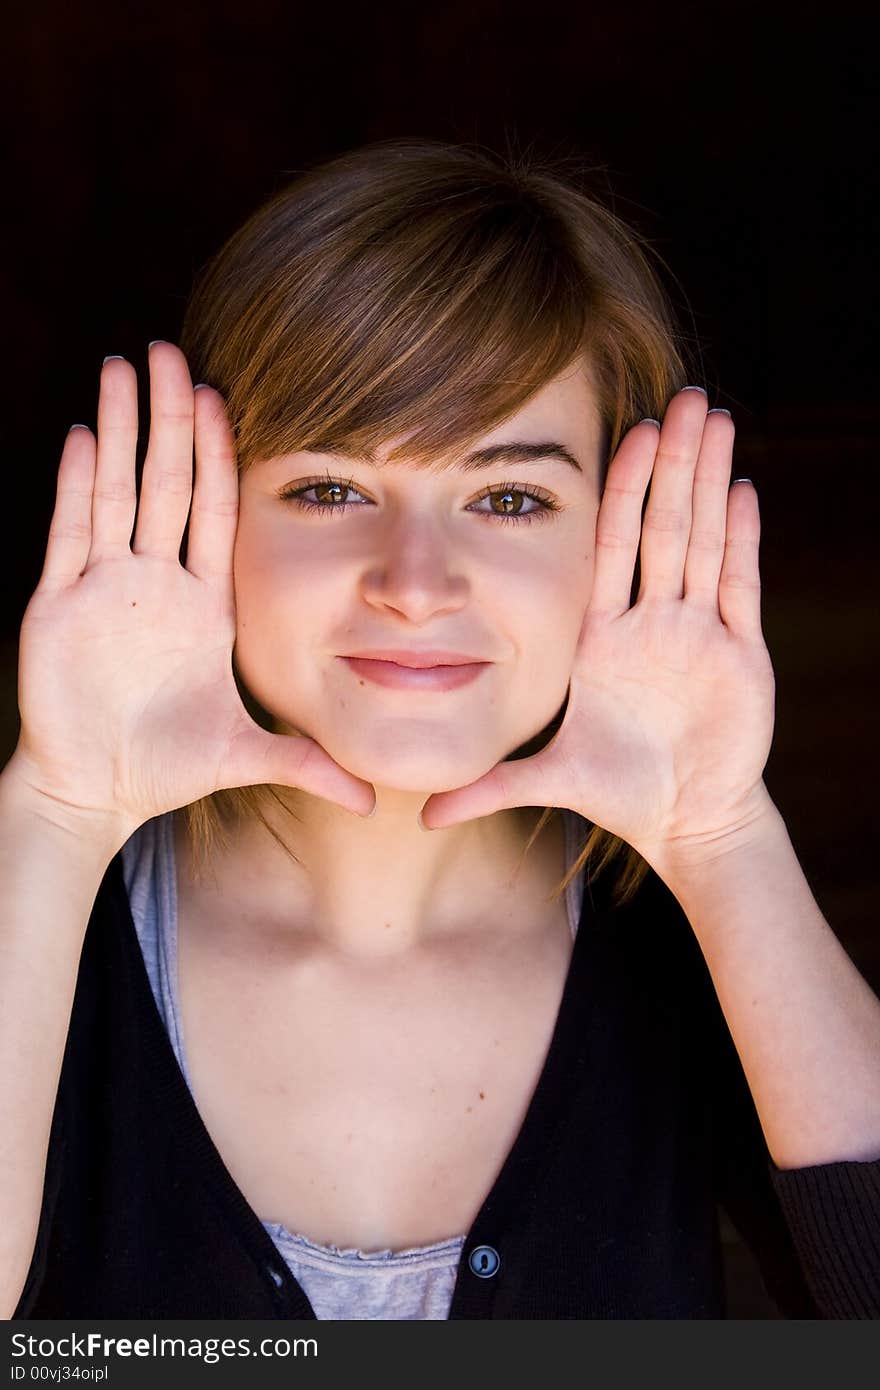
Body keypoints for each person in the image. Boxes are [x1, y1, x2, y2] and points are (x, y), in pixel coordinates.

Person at [3, 139, 879, 1321]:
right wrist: (54, 815)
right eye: (329, 489)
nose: (415, 582)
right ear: (210, 507)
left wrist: (723, 838)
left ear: (614, 538)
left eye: (510, 497)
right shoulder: (48, 923)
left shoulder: (690, 954)